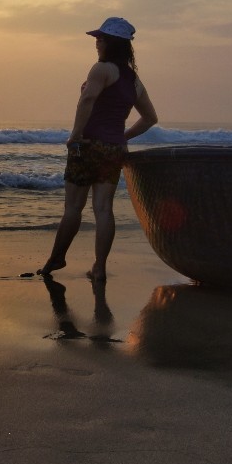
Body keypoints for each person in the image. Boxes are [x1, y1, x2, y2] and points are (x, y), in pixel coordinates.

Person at [38, 16, 158, 280]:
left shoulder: (101, 69)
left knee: (73, 208)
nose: (96, 42)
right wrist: (122, 136)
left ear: (111, 43)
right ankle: (100, 267)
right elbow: (150, 119)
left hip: (88, 144)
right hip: (113, 149)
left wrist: (76, 134)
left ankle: (55, 260)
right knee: (104, 209)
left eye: (100, 38)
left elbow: (88, 99)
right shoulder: (133, 80)